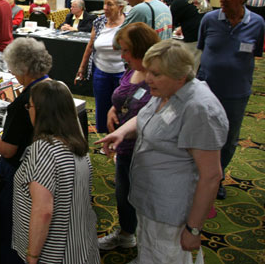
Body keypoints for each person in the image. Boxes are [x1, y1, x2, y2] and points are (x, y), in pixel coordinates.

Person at [97, 39, 229, 263]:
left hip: (171, 211)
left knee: (166, 254)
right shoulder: (165, 92)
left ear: (180, 76)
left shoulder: (200, 109)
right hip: (150, 200)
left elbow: (211, 176)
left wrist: (194, 229)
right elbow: (147, 117)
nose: (148, 79)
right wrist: (123, 132)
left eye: (156, 74)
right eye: (148, 71)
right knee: (150, 248)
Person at [12, 80, 100, 264]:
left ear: (43, 111)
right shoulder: (77, 142)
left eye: (30, 106)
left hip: (53, 253)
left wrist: (32, 256)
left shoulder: (43, 149)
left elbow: (43, 211)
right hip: (81, 246)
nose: (28, 110)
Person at [197, 0, 265, 200]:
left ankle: (217, 178)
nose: (222, 0)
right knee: (200, 133)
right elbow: (201, 48)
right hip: (206, 89)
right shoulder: (209, 19)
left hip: (237, 92)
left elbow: (254, 54)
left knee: (228, 139)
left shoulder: (257, 23)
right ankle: (198, 175)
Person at [0, 37, 52, 264]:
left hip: (20, 176)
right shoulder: (53, 88)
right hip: (45, 172)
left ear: (22, 68)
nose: (12, 73)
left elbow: (8, 151)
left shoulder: (23, 103)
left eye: (13, 68)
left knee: (13, 231)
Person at [96, 22, 160, 251]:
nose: (122, 55)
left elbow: (155, 115)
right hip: (124, 148)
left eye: (125, 50)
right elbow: (125, 95)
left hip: (147, 150)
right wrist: (113, 109)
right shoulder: (132, 67)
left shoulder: (158, 75)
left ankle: (149, 248)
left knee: (145, 200)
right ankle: (125, 234)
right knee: (124, 194)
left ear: (141, 48)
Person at [75, 0, 126, 133]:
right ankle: (105, 136)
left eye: (110, 4)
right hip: (101, 72)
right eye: (104, 4)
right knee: (102, 106)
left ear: (120, 6)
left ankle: (119, 135)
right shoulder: (99, 22)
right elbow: (90, 46)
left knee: (121, 107)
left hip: (122, 72)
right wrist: (81, 68)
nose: (105, 8)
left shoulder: (128, 21)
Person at [169, 0, 212, 72]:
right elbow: (195, 14)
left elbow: (172, 23)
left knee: (191, 64)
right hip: (209, 33)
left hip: (194, 36)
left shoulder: (178, 2)